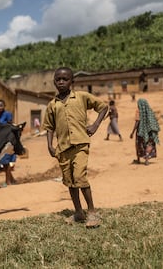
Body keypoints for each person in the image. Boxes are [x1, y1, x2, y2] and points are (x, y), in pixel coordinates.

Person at [43, 67, 108, 228]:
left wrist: (95, 125)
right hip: (63, 148)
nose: (61, 82)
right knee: (70, 182)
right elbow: (49, 127)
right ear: (54, 82)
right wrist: (50, 145)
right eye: (58, 79)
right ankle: (78, 212)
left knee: (80, 177)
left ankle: (92, 212)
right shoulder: (52, 105)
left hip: (80, 144)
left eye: (65, 79)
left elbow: (103, 107)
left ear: (72, 81)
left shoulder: (82, 97)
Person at [130, 98, 160, 165]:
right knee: (148, 144)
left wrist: (132, 132)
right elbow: (154, 121)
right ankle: (146, 160)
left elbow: (137, 122)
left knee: (139, 144)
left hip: (141, 132)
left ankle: (138, 159)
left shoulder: (138, 111)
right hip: (149, 131)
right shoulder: (149, 110)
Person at [0, 99, 17, 187]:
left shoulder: (8, 114)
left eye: (1, 106)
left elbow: (9, 125)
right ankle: (12, 179)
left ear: (4, 106)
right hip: (0, 141)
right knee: (2, 161)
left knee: (6, 161)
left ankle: (8, 181)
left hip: (8, 140)